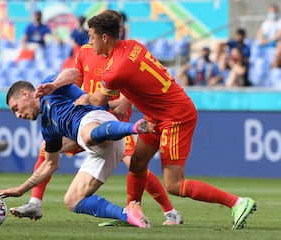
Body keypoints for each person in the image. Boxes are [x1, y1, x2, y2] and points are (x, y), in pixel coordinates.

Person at [36, 12, 257, 230]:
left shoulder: (115, 70)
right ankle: (133, 210)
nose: (89, 42)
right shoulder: (132, 46)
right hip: (158, 113)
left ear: (105, 38)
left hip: (175, 115)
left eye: (92, 37)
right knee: (138, 163)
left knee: (174, 184)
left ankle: (237, 203)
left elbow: (98, 100)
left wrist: (82, 98)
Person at [11, 9, 183, 227]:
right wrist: (71, 96)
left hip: (111, 118)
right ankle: (35, 201)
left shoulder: (123, 56)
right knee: (48, 148)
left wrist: (126, 102)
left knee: (135, 164)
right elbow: (75, 79)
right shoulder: (85, 52)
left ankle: (169, 212)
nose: (92, 40)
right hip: (85, 116)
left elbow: (139, 81)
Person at [0, 69, 154, 228]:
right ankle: (128, 214)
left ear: (25, 94)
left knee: (86, 135)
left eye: (16, 108)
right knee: (72, 200)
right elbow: (50, 164)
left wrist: (54, 84)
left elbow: (72, 73)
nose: (18, 115)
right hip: (103, 149)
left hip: (97, 120)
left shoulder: (48, 87)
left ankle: (134, 128)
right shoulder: (47, 128)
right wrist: (21, 189)